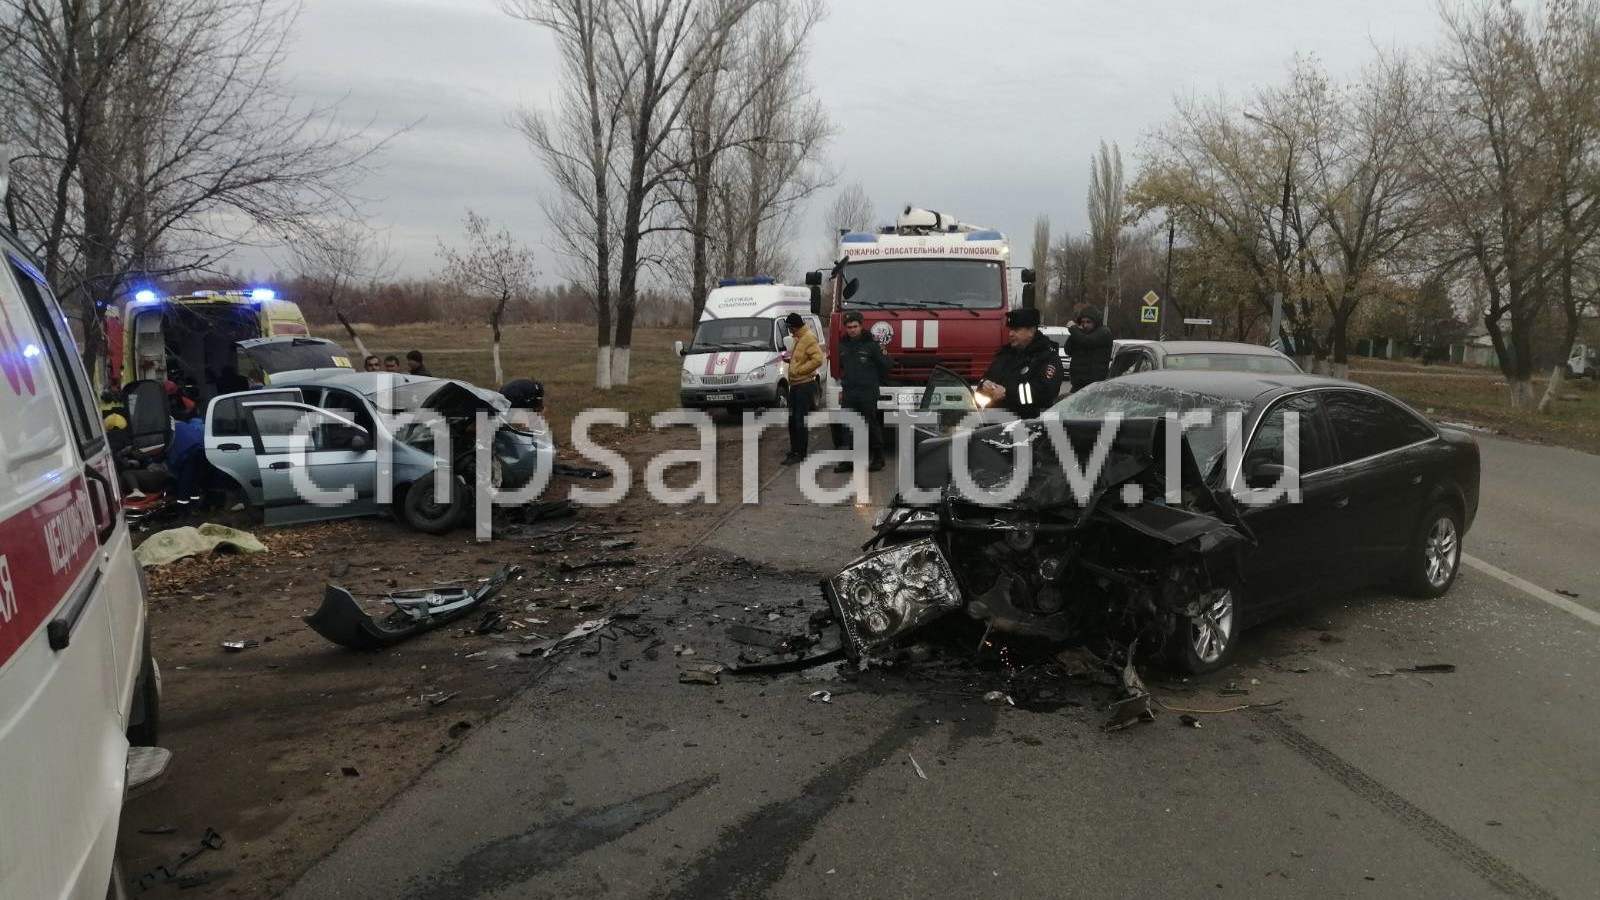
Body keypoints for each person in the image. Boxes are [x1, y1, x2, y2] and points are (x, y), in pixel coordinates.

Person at [977, 307, 1064, 419]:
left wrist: (1007, 393)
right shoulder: (1005, 355)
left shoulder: (1047, 358)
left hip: (1029, 427)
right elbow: (985, 378)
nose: (1011, 334)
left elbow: (1043, 393)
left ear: (1031, 331)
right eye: (1010, 330)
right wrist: (984, 384)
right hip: (994, 424)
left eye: (1016, 330)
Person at [832, 310, 890, 473]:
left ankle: (878, 458)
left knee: (871, 425)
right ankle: (848, 461)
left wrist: (872, 379)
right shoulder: (843, 344)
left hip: (867, 393)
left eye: (855, 326)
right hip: (849, 393)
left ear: (861, 326)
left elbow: (886, 364)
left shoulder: (872, 344)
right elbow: (842, 365)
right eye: (849, 327)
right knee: (847, 427)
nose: (852, 330)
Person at [781, 312, 824, 465]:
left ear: (795, 326)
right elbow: (801, 358)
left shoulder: (808, 337)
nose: (789, 330)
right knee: (792, 419)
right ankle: (794, 450)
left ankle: (801, 452)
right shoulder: (798, 338)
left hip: (805, 384)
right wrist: (791, 362)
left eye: (789, 327)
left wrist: (799, 370)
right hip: (795, 384)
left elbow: (818, 359)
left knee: (799, 420)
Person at [1064, 306, 1113, 392]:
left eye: (1088, 322)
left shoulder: (1104, 332)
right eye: (1082, 322)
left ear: (1095, 322)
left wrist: (1073, 329)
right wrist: (1076, 332)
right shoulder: (1080, 334)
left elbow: (1086, 342)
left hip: (1094, 385)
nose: (1085, 325)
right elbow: (1068, 350)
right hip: (1077, 384)